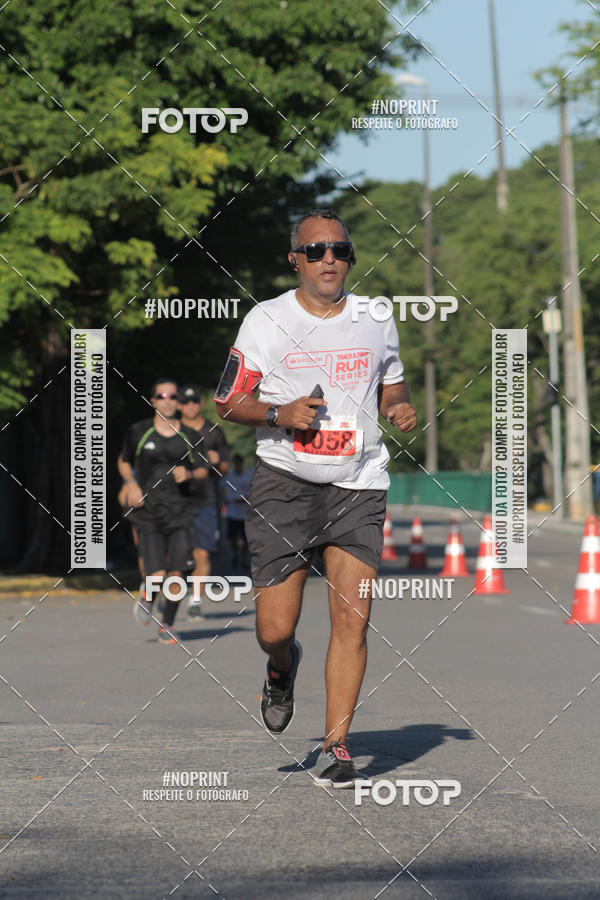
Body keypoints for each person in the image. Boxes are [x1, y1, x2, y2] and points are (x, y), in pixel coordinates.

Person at [214, 208, 416, 787]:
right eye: (317, 250)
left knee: (353, 620)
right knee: (275, 628)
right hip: (285, 482)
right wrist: (280, 413)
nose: (330, 259)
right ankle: (282, 667)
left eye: (341, 250)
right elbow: (226, 400)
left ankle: (337, 745)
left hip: (359, 483)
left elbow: (391, 380)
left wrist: (397, 406)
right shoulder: (265, 321)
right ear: (295, 259)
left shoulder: (377, 318)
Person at [118, 378, 209, 643]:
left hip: (180, 512)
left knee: (178, 573)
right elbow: (123, 461)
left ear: (178, 402)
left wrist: (189, 473)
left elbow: (205, 470)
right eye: (162, 396)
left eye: (173, 396)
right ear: (153, 400)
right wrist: (131, 484)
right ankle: (148, 596)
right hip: (149, 513)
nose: (168, 400)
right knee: (157, 576)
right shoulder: (139, 431)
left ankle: (166, 625)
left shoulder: (190, 437)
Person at [178, 384, 231, 619]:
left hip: (206, 498)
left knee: (202, 553)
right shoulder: (172, 430)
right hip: (176, 500)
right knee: (175, 555)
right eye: (185, 402)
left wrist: (217, 462)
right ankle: (167, 597)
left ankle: (195, 601)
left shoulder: (214, 431)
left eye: (194, 401)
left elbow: (225, 467)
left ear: (200, 404)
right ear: (179, 405)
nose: (190, 405)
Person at [224, 454, 254, 568]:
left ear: (242, 463)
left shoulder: (248, 475)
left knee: (246, 539)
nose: (237, 465)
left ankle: (245, 559)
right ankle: (235, 554)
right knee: (232, 538)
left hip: (245, 514)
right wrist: (224, 499)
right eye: (235, 463)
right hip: (231, 513)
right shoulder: (229, 476)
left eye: (239, 463)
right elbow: (222, 489)